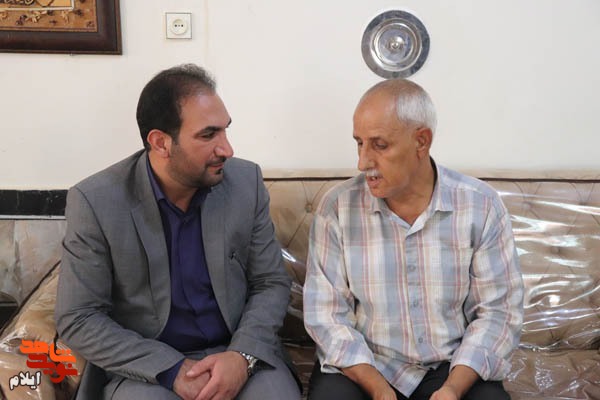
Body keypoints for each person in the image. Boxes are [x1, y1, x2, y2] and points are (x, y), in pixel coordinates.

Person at [55, 64, 300, 400]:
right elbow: (79, 316)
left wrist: (241, 356)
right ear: (161, 143)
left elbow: (270, 282)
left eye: (225, 130)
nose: (227, 149)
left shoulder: (245, 183)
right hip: (148, 368)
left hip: (238, 351)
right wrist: (172, 370)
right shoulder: (97, 202)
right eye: (208, 135)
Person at [303, 78, 523, 400]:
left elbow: (497, 314)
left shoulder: (481, 206)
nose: (363, 162)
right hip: (366, 366)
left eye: (379, 145)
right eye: (359, 143)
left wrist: (452, 389)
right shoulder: (337, 208)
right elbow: (327, 316)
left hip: (451, 366)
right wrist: (379, 390)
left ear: (421, 141)